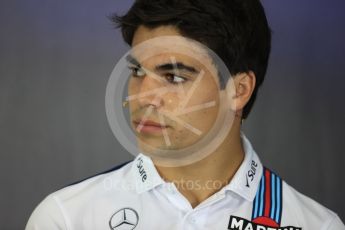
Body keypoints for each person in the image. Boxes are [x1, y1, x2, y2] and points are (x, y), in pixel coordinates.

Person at [26, 0, 345, 229]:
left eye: (174, 76)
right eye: (137, 71)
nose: (142, 96)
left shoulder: (319, 226)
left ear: (239, 90)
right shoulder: (66, 218)